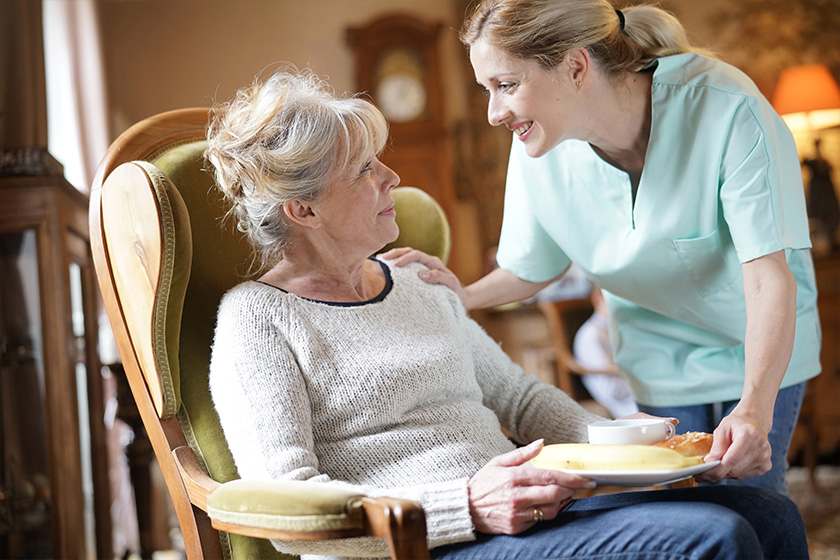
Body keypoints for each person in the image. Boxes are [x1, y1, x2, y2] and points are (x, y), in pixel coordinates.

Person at [205, 67, 808, 560]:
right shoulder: (256, 320)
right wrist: (464, 504)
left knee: (766, 512)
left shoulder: (413, 283)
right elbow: (283, 505)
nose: (392, 177)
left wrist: (641, 460)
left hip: (518, 512)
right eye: (365, 170)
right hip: (421, 545)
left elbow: (520, 399)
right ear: (303, 211)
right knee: (714, 539)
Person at [386, 0, 821, 495]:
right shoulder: (539, 145)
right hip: (659, 359)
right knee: (684, 516)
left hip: (761, 344)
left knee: (757, 502)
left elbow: (768, 278)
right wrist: (459, 296)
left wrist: (754, 409)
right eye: (487, 89)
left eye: (507, 85)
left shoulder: (727, 107)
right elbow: (532, 266)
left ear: (575, 66)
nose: (493, 113)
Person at [574, 285, 639, 419]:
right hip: (625, 402)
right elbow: (612, 390)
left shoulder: (621, 329)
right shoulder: (591, 336)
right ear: (598, 299)